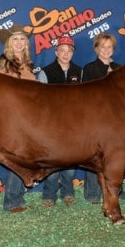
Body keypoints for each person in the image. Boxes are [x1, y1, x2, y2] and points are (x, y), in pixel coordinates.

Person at [0, 23, 46, 213]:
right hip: (13, 120)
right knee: (17, 157)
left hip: (29, 119)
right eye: (15, 39)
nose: (19, 42)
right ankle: (11, 201)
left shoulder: (27, 64)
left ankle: (16, 198)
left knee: (23, 157)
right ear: (9, 43)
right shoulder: (4, 64)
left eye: (22, 39)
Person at [41, 35, 82, 207]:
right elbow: (39, 101)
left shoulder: (79, 72)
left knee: (71, 162)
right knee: (52, 161)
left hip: (73, 124)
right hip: (52, 124)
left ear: (72, 53)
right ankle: (49, 195)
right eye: (62, 50)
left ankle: (68, 192)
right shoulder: (46, 72)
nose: (65, 54)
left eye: (69, 51)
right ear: (56, 52)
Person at [82, 33, 122, 204]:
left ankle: (117, 190)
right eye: (102, 47)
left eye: (109, 47)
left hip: (115, 120)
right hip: (95, 118)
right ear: (96, 49)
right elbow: (86, 95)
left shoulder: (120, 69)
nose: (106, 50)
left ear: (113, 50)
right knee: (93, 154)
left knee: (115, 155)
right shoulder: (90, 69)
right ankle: (92, 193)